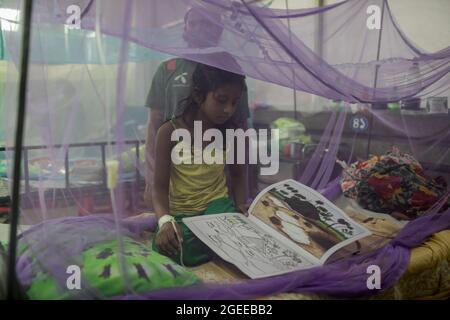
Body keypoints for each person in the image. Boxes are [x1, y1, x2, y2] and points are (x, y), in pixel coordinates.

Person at [144, 7, 250, 209]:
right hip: (173, 173)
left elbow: (241, 127)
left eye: (207, 22)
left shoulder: (230, 73)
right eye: (193, 23)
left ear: (219, 28)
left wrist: (240, 192)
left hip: (216, 178)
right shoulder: (167, 70)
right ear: (185, 27)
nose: (200, 29)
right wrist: (151, 177)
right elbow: (153, 126)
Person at [151, 61, 248, 266]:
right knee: (170, 247)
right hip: (183, 214)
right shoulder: (169, 132)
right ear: (198, 95)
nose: (228, 109)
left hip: (217, 208)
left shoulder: (232, 134)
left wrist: (241, 207)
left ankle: (221, 242)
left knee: (228, 226)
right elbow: (158, 188)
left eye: (234, 102)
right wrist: (165, 222)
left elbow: (239, 176)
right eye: (221, 100)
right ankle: (216, 248)